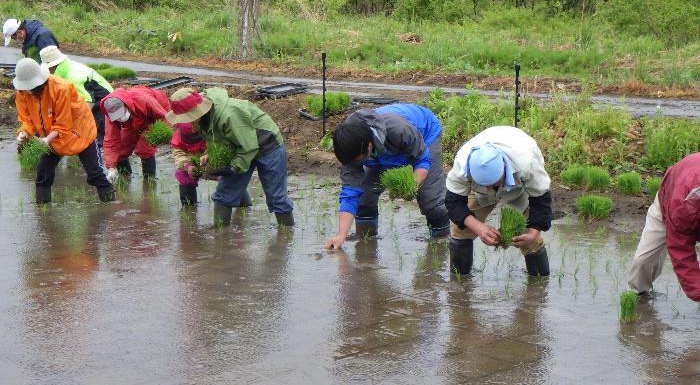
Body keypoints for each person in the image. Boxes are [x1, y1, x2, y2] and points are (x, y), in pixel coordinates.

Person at [324, 104, 450, 250]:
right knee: (365, 196)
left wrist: (411, 185)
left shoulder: (397, 129)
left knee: (431, 200)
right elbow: (350, 193)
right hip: (382, 152)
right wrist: (341, 235)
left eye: (360, 160)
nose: (357, 164)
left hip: (425, 134)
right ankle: (366, 244)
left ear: (369, 146)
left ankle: (441, 244)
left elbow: (422, 159)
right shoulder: (350, 148)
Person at [165, 87, 294, 226]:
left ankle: (286, 237)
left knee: (277, 198)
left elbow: (249, 147)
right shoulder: (203, 118)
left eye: (189, 119)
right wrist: (210, 154)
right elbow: (220, 139)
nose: (191, 124)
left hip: (267, 145)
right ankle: (219, 238)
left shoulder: (229, 115)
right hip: (240, 145)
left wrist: (232, 168)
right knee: (223, 195)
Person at [444, 126, 552, 276]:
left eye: (493, 182)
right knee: (460, 229)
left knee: (529, 238)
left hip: (517, 187)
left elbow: (541, 200)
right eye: (484, 183)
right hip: (478, 192)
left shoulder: (527, 163)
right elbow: (453, 202)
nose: (489, 188)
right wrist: (478, 228)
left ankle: (539, 285)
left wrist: (533, 233)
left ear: (504, 168)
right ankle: (460, 280)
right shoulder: (462, 164)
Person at [13, 58, 115, 203]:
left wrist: (46, 140)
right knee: (43, 173)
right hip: (52, 137)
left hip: (79, 132)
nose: (29, 92)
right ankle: (43, 212)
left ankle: (110, 206)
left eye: (31, 87)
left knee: (95, 174)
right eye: (26, 88)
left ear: (40, 81)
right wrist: (23, 134)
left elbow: (63, 123)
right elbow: (27, 120)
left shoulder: (61, 88)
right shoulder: (22, 93)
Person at [628, 153, 700, 302]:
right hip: (670, 202)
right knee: (643, 261)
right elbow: (681, 249)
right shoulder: (682, 204)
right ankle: (639, 296)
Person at [40, 45, 113, 160]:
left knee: (95, 137)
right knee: (81, 134)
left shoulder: (74, 75)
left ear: (53, 66)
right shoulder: (65, 71)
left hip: (104, 103)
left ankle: (100, 169)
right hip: (93, 101)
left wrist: (73, 125)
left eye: (49, 69)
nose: (48, 72)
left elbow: (87, 103)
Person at [170, 122, 253, 207]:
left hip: (211, 162)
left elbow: (224, 148)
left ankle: (244, 205)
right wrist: (187, 166)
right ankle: (189, 208)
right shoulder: (179, 135)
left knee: (229, 178)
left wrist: (210, 158)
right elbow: (178, 154)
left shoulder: (213, 131)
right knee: (181, 173)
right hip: (193, 163)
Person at [99, 87, 170, 183]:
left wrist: (164, 134)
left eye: (120, 114)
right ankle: (125, 177)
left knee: (144, 149)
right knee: (121, 151)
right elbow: (111, 140)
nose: (119, 118)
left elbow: (164, 118)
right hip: (132, 122)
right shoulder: (110, 115)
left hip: (153, 116)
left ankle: (149, 180)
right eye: (116, 117)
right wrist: (111, 167)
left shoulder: (145, 100)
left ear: (125, 105)